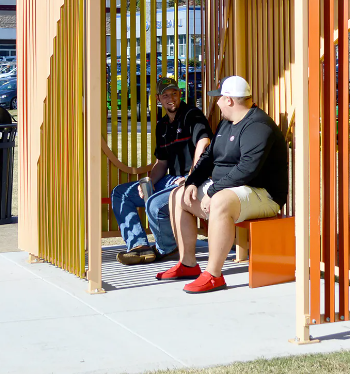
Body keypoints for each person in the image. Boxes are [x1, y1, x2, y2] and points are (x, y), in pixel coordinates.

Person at [158, 75, 289, 293]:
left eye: (219, 98)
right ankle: (188, 264)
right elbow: (208, 157)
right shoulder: (226, 123)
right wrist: (192, 182)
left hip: (264, 195)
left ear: (229, 100)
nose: (216, 102)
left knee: (220, 201)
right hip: (229, 191)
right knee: (178, 195)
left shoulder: (258, 125)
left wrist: (214, 190)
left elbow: (247, 169)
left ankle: (213, 275)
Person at [110, 80, 211, 265]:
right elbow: (162, 163)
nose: (170, 99)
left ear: (180, 94)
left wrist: (191, 178)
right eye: (165, 95)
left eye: (173, 93)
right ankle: (139, 246)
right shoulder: (162, 125)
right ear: (158, 99)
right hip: (171, 179)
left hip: (192, 180)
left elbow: (204, 143)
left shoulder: (192, 115)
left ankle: (167, 247)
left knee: (154, 205)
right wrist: (148, 181)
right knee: (121, 193)